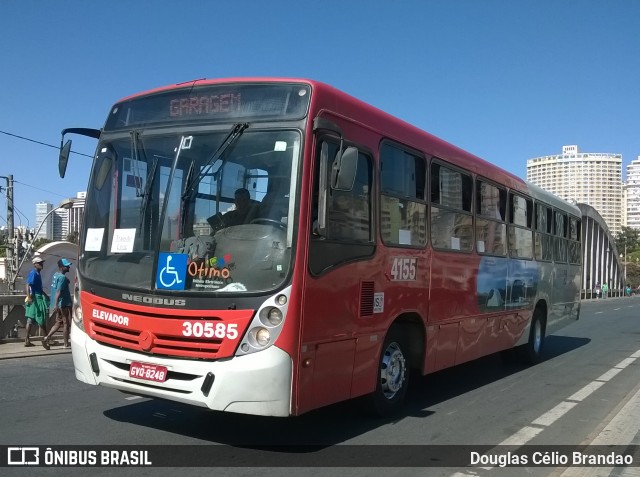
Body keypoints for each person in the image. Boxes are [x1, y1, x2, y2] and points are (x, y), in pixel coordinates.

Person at [42, 258, 73, 349]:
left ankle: (47, 337)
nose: (68, 267)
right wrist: (56, 304)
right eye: (67, 266)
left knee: (58, 323)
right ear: (62, 267)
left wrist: (55, 304)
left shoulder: (56, 275)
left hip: (59, 304)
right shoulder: (62, 278)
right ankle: (66, 344)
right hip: (64, 303)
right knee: (66, 323)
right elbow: (58, 292)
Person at [24, 256, 49, 347]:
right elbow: (28, 284)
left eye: (42, 263)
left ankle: (27, 340)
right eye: (39, 263)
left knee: (30, 319)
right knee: (41, 319)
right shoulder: (34, 273)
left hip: (37, 296)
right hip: (36, 298)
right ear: (35, 264)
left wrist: (45, 295)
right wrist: (29, 297)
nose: (41, 264)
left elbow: (38, 288)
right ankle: (46, 339)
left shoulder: (37, 273)